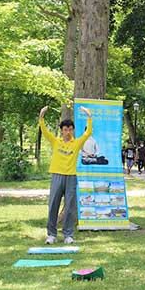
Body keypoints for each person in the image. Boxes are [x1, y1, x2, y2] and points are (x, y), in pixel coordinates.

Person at [39, 105, 92, 245]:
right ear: (61, 131)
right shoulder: (56, 142)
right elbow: (45, 132)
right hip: (57, 175)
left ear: (73, 130)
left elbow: (88, 133)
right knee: (53, 205)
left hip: (71, 177)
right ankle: (51, 234)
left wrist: (89, 117)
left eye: (70, 129)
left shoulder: (77, 143)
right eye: (65, 129)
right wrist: (41, 117)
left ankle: (68, 234)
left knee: (70, 206)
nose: (67, 132)